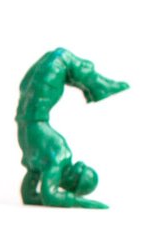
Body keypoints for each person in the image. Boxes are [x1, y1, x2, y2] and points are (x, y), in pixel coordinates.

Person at [16, 48, 128, 209]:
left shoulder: (59, 157)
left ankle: (99, 87)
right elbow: (29, 196)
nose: (79, 164)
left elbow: (48, 196)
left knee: (61, 57)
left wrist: (80, 202)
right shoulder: (44, 165)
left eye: (81, 171)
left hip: (36, 108)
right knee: (57, 57)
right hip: (26, 114)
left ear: (73, 183)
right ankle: (96, 87)